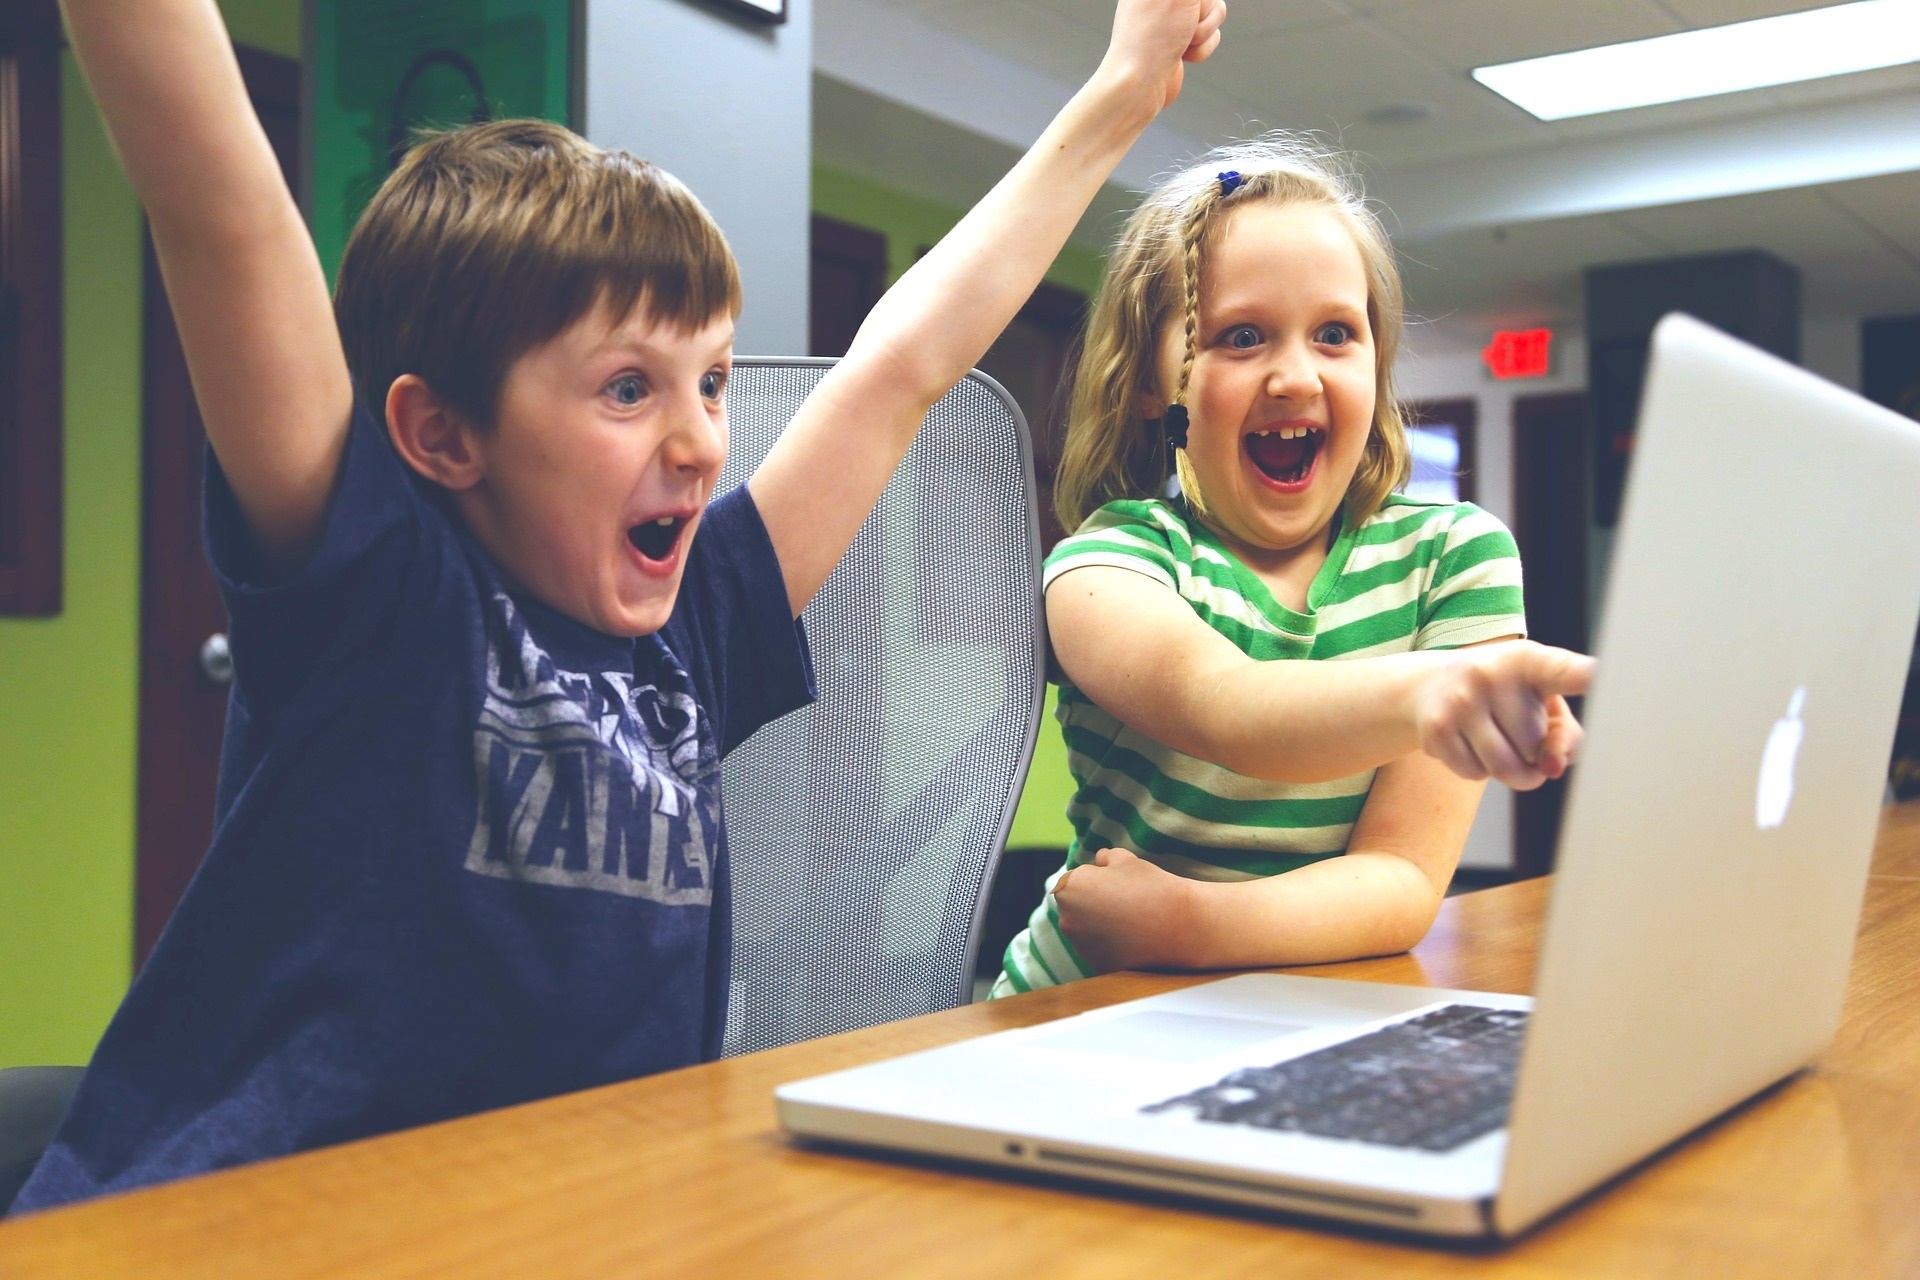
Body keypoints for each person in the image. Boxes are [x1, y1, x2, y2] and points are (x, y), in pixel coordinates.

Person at [15, 0, 1227, 1212]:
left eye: (710, 378)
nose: (704, 441)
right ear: (440, 433)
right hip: (242, 1223)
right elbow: (218, 218)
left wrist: (1122, 89)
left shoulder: (695, 625)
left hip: (564, 1216)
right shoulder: (377, 590)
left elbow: (900, 369)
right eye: (628, 389)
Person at [992, 135, 1593, 997]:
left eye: (1336, 335)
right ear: (1150, 382)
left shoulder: (1456, 557)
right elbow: (1231, 709)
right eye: (1242, 336)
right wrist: (1433, 692)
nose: (1296, 376)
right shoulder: (1106, 565)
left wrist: (1192, 927)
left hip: (1297, 1007)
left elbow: (1403, 879)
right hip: (1084, 1007)